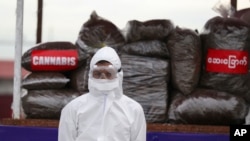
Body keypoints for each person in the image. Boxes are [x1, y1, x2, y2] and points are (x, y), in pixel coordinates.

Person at [58, 46, 147, 141]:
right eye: (97, 73)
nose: (103, 78)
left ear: (119, 75)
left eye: (109, 73)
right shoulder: (73, 109)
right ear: (90, 74)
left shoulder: (133, 110)